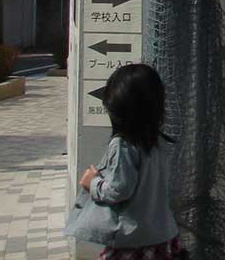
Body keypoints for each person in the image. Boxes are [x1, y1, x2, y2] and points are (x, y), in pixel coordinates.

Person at [70, 63, 185, 260]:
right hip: (163, 235)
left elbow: (119, 190)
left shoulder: (124, 145)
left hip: (133, 240)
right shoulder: (159, 142)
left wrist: (93, 183)